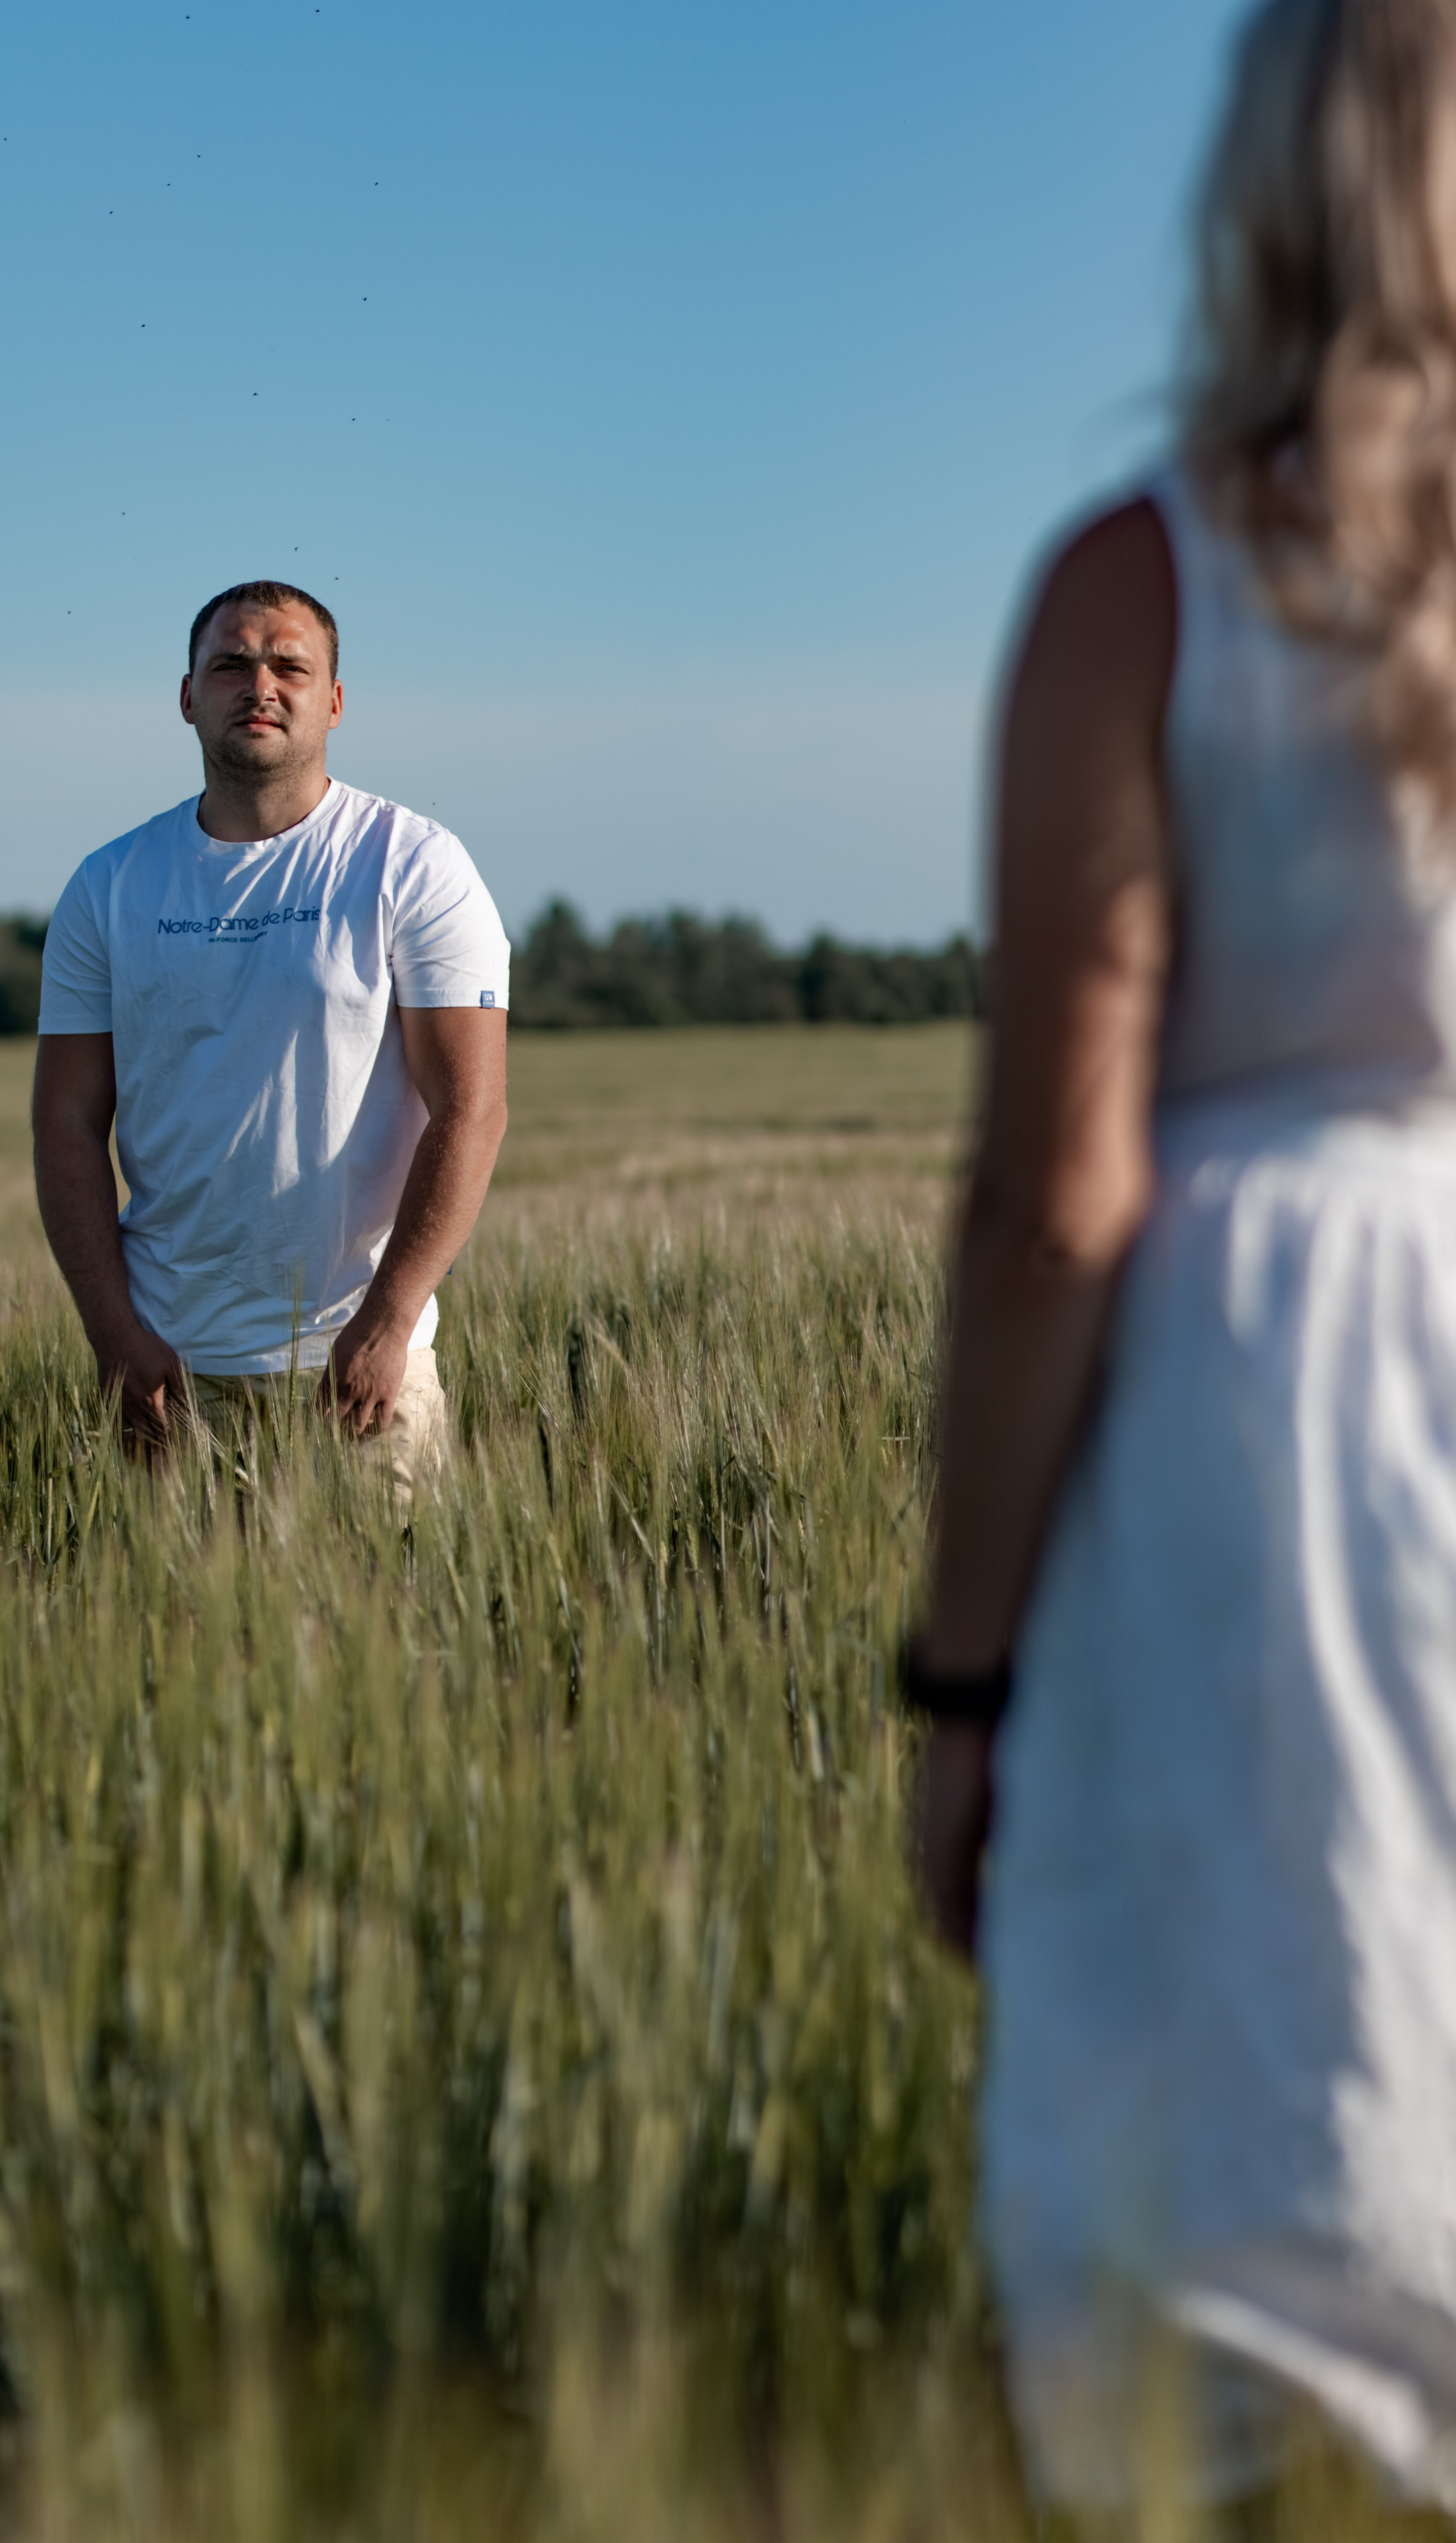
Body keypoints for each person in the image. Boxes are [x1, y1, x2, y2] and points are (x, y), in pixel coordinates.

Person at [912, 0, 1456, 2520]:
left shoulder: (1156, 582)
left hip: (1269, 1427)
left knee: (1239, 2154)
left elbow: (1056, 1198)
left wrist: (966, 1674)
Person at [32, 579, 509, 1492]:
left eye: (290, 665)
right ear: (187, 697)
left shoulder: (413, 864)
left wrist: (390, 1319)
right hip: (168, 1370)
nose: (261, 685)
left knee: (392, 1623)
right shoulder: (110, 886)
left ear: (333, 700)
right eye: (230, 665)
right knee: (174, 1636)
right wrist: (112, 1333)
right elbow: (64, 1121)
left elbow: (473, 1108)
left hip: (361, 1365)